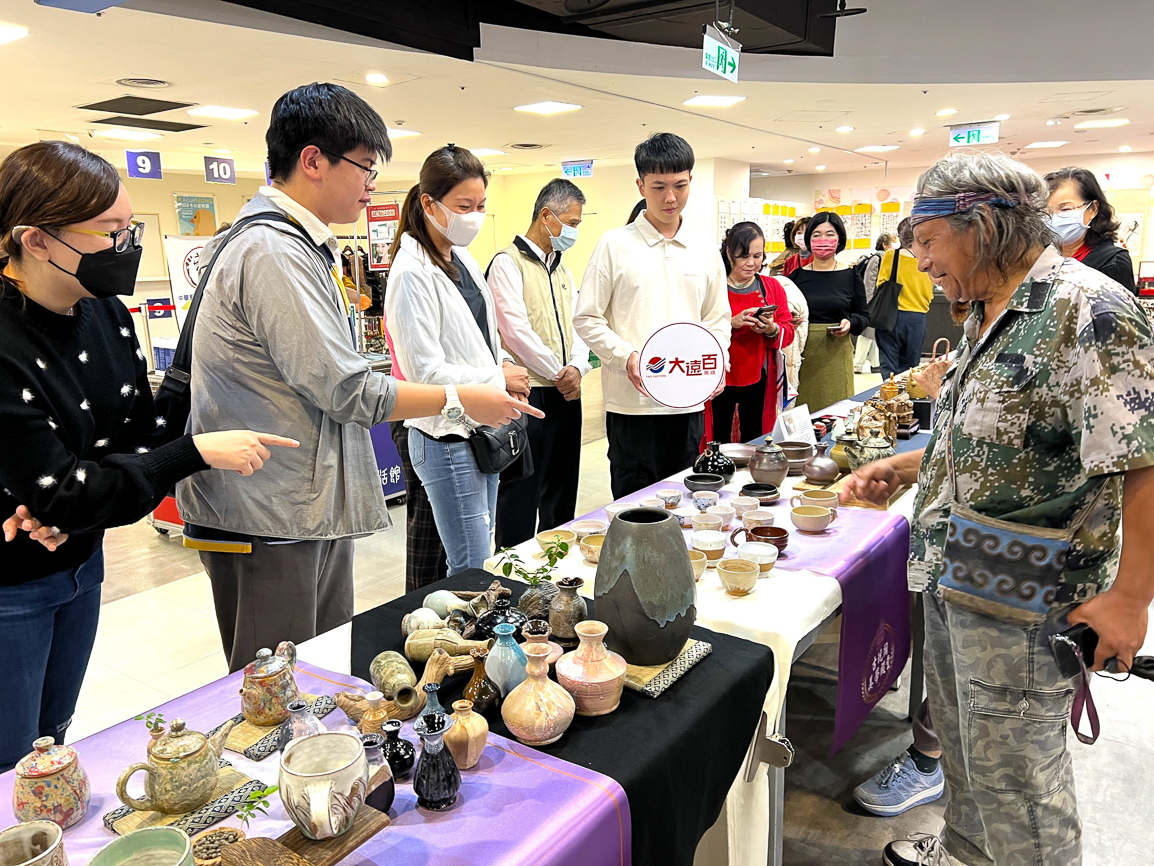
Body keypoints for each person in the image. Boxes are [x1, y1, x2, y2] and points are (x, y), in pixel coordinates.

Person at [842, 151, 1154, 866]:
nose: (920, 261)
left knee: (1020, 788)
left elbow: (1145, 460)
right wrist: (901, 467)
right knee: (968, 756)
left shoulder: (1089, 309)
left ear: (982, 225)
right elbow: (991, 439)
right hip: (960, 581)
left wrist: (1131, 599)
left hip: (1029, 601)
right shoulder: (990, 311)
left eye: (928, 240)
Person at [179, 87, 536, 672]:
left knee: (318, 673)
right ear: (313, 161)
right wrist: (461, 397)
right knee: (279, 687)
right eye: (365, 167)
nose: (372, 184)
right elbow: (345, 388)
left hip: (302, 502)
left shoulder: (302, 245)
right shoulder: (272, 251)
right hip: (270, 507)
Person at [0, 141, 297, 771]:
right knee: (10, 761)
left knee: (52, 740)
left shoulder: (105, 312)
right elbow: (73, 487)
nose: (125, 245)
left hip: (77, 559)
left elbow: (133, 438)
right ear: (37, 240)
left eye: (129, 227)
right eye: (109, 231)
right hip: (10, 581)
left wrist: (69, 501)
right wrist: (191, 452)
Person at [386, 145, 537, 575]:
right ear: (429, 204)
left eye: (481, 206)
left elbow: (479, 336)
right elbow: (424, 372)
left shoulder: (460, 256)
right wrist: (498, 378)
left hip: (479, 428)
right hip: (445, 436)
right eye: (463, 206)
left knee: (480, 554)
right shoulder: (412, 273)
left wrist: (502, 363)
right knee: (470, 564)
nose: (474, 216)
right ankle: (467, 621)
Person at [573, 133, 730, 499]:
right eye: (659, 187)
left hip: (688, 399)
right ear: (641, 185)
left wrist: (718, 357)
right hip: (632, 405)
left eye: (679, 185)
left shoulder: (704, 248)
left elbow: (718, 318)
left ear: (690, 181)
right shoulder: (614, 245)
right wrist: (625, 356)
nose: (670, 197)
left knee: (685, 499)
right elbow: (587, 317)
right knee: (636, 505)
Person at [488, 179, 591, 548]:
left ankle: (557, 561)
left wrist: (577, 367)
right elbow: (515, 331)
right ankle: (511, 569)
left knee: (562, 489)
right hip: (528, 396)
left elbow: (579, 326)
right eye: (572, 223)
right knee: (521, 492)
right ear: (546, 216)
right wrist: (557, 372)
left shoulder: (562, 270)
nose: (574, 231)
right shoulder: (507, 263)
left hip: (566, 394)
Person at [705, 221, 795, 443]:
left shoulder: (771, 287)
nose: (751, 263)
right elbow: (696, 330)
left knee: (755, 434)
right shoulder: (712, 286)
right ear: (728, 253)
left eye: (757, 256)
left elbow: (788, 330)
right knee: (718, 436)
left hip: (758, 375)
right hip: (719, 375)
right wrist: (730, 323)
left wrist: (771, 329)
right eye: (743, 256)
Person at [791, 212, 868, 410]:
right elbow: (784, 314)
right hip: (801, 355)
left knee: (836, 414)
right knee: (802, 413)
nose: (822, 240)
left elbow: (863, 316)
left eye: (829, 234)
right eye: (816, 235)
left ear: (839, 239)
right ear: (808, 240)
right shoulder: (796, 277)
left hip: (836, 354)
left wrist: (850, 323)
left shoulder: (850, 276)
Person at [1044, 166, 1136, 293]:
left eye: (1065, 209)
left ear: (1093, 209)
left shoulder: (1112, 262)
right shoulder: (1042, 258)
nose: (1054, 217)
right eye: (1047, 212)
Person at [874, 218, 935, 381]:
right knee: (911, 366)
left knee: (889, 363)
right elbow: (930, 290)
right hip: (917, 317)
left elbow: (881, 283)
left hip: (891, 315)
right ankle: (907, 394)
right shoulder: (928, 258)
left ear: (901, 236)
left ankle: (889, 393)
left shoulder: (891, 255)